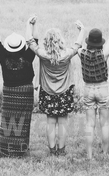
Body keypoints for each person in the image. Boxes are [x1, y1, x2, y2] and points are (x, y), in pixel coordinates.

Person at [26, 16, 85, 156]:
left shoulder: (43, 54)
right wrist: (82, 30)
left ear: (46, 41)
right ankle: (61, 150)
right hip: (64, 92)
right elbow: (77, 45)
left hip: (47, 92)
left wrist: (29, 24)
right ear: (61, 41)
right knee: (63, 122)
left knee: (50, 122)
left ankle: (52, 150)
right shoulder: (66, 54)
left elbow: (30, 42)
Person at [79, 12, 109, 159]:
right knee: (105, 124)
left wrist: (81, 30)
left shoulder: (82, 53)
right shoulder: (104, 54)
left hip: (88, 88)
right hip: (102, 88)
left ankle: (89, 155)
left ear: (88, 42)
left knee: (89, 124)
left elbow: (76, 46)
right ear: (100, 42)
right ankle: (105, 152)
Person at [0, 26, 36, 157]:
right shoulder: (28, 56)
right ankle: (21, 149)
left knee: (7, 120)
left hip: (9, 92)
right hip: (26, 92)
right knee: (24, 120)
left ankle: (4, 148)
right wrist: (31, 26)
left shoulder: (3, 56)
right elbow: (34, 41)